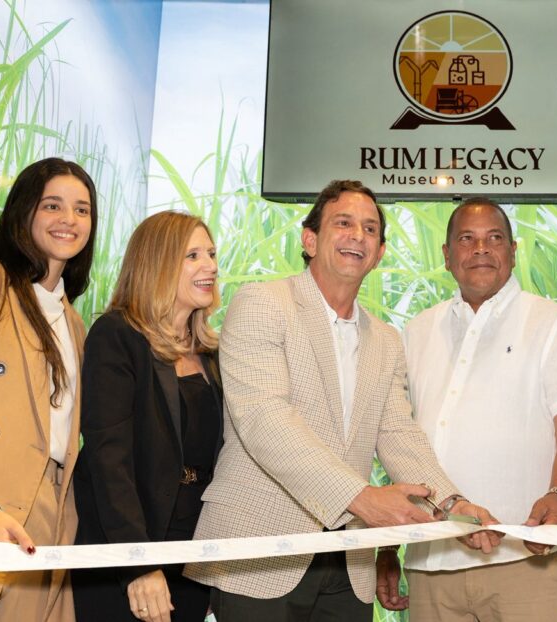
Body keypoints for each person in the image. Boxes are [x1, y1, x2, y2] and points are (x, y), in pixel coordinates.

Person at [186, 180, 498, 622]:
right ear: (309, 240)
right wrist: (362, 498)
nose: (358, 236)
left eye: (370, 229)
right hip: (261, 553)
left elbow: (397, 433)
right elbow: (264, 420)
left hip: (349, 564)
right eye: (344, 223)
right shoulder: (262, 303)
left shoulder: (386, 340)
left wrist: (451, 504)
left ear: (380, 253)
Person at [377, 197, 557, 622]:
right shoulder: (417, 331)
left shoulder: (552, 323)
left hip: (525, 557)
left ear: (513, 252)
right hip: (431, 560)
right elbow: (398, 442)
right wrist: (388, 545)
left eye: (494, 238)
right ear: (446, 256)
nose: (481, 248)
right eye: (467, 239)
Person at [0, 157, 97, 622]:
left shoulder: (74, 323)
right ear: (23, 211)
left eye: (82, 209)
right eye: (53, 205)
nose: (68, 219)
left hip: (47, 516)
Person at [71, 211, 222, 622]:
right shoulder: (117, 335)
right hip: (127, 552)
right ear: (157, 262)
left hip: (191, 553)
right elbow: (109, 460)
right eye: (193, 255)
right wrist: (138, 564)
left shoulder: (211, 353)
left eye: (211, 254)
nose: (210, 266)